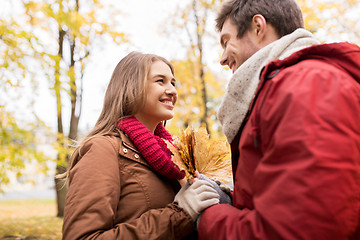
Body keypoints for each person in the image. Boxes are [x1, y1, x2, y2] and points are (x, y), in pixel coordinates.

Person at [197, 0, 360, 239]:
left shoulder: (306, 85)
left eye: (226, 41)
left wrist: (208, 216)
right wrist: (228, 200)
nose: (222, 59)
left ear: (258, 27)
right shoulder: (288, 87)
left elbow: (299, 230)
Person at [61, 51, 220, 240]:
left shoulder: (174, 155)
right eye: (160, 81)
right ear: (131, 87)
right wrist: (180, 213)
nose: (172, 91)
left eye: (172, 83)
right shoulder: (103, 149)